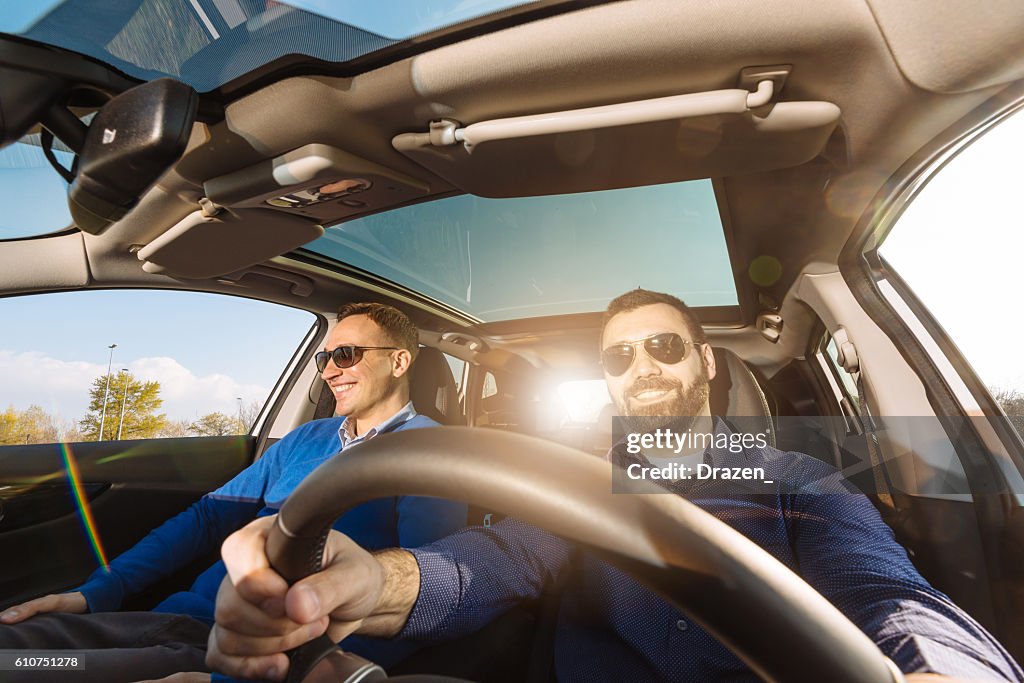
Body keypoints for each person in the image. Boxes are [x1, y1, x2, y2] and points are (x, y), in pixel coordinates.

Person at [208, 289, 1024, 683]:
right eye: (619, 355)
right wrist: (369, 579)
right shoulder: (581, 491)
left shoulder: (798, 481)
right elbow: (491, 559)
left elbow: (886, 592)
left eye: (665, 345)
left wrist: (936, 671)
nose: (643, 367)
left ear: (707, 362)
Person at [0, 302, 467, 682]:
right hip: (175, 619)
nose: (328, 371)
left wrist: (246, 678)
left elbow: (414, 597)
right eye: (325, 359)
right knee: (14, 649)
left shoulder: (427, 453)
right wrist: (96, 592)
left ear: (399, 360)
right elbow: (208, 517)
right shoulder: (307, 439)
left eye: (345, 355)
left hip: (248, 657)